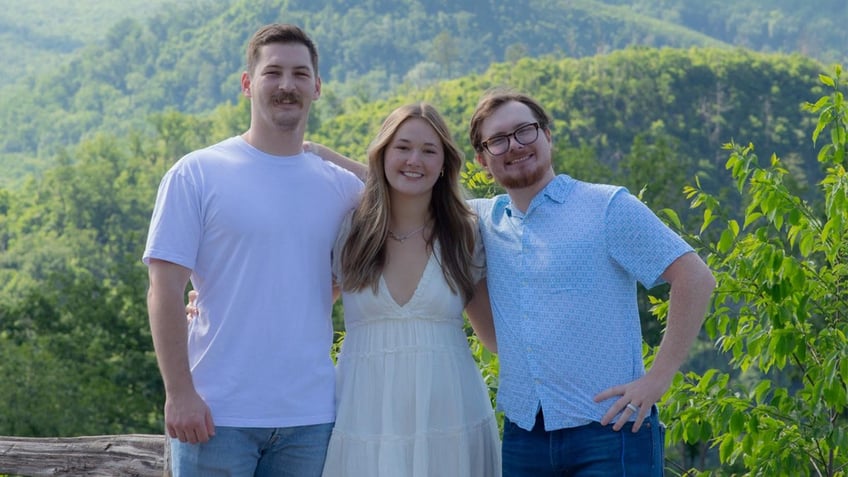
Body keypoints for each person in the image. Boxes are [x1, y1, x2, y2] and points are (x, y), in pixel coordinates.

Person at [142, 24, 362, 476]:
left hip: (311, 417)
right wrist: (178, 393)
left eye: (301, 74)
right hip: (217, 415)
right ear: (247, 83)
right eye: (273, 72)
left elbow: (417, 194)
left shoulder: (341, 189)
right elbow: (163, 291)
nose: (287, 85)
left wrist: (324, 153)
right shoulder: (197, 174)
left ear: (317, 87)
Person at [466, 88, 716, 476]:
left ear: (547, 135)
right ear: (483, 159)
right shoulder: (481, 222)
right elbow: (399, 184)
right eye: (497, 140)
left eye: (524, 131)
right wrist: (331, 158)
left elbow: (695, 278)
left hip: (610, 432)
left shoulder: (606, 207)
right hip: (523, 436)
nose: (514, 146)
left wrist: (658, 379)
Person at [316, 103, 501, 476]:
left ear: (444, 163)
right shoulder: (351, 230)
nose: (414, 160)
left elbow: (496, 337)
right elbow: (303, 312)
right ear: (382, 154)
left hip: (449, 415)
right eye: (402, 147)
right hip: (364, 415)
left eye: (429, 151)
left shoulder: (465, 232)